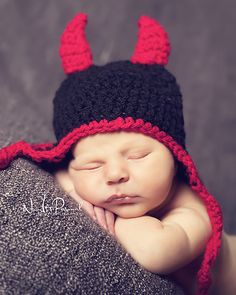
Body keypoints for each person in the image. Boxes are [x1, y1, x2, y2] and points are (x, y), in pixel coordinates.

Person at [0, 12, 235, 295]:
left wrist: (107, 209)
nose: (114, 174)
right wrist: (70, 182)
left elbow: (154, 251)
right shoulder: (94, 174)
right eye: (91, 166)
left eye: (137, 156)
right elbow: (58, 171)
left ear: (176, 158)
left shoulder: (194, 211)